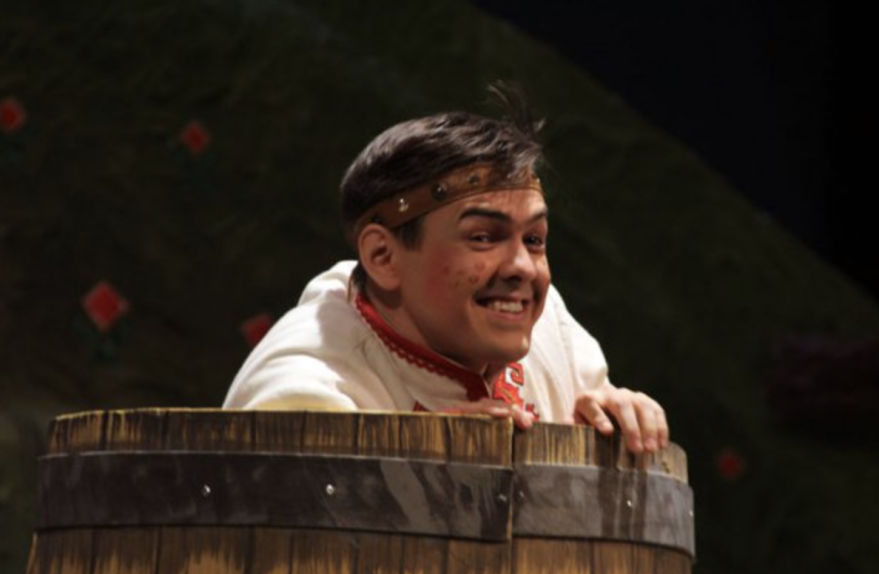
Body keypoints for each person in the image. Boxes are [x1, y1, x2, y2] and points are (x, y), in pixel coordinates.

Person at [224, 86, 668, 452]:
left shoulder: (549, 323)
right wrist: (420, 463)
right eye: (483, 237)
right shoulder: (301, 390)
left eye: (534, 240)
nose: (522, 268)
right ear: (383, 257)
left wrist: (619, 419)